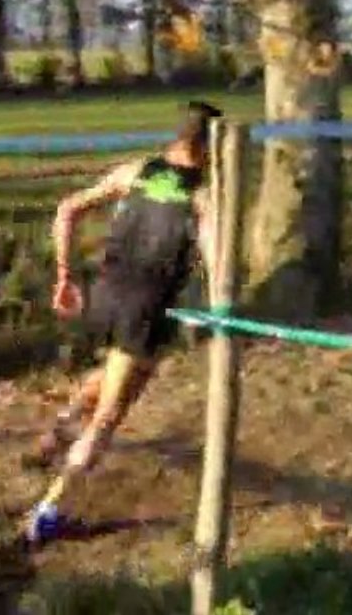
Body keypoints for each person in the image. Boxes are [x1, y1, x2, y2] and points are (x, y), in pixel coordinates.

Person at [21, 100, 223, 542]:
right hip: (145, 311)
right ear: (211, 150)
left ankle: (58, 431)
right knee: (111, 413)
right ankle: (49, 512)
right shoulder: (202, 198)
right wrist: (221, 307)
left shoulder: (134, 172)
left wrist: (64, 276)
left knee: (112, 376)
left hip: (103, 296)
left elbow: (67, 209)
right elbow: (219, 266)